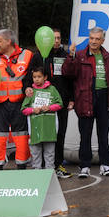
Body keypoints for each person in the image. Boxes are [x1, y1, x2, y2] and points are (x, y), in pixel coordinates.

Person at [63, 26, 109, 178]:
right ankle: (84, 166)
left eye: (97, 39)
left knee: (103, 134)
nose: (93, 42)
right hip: (85, 98)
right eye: (91, 38)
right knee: (85, 135)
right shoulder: (79, 56)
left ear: (103, 40)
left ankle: (105, 164)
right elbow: (67, 73)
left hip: (104, 98)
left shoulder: (107, 56)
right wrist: (71, 56)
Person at [0, 29, 43, 170]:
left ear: (9, 41)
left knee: (21, 135)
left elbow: (36, 77)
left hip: (20, 102)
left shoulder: (28, 55)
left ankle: (22, 165)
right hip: (0, 102)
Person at [21, 66, 62, 170]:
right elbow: (24, 109)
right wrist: (33, 110)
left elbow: (60, 104)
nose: (37, 79)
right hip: (35, 130)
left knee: (50, 154)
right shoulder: (30, 91)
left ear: (45, 77)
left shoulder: (52, 89)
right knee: (35, 154)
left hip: (49, 129)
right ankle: (37, 173)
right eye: (34, 77)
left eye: (39, 76)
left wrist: (49, 108)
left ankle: (50, 173)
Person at [44, 29, 73, 178]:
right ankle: (45, 165)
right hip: (44, 102)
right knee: (46, 134)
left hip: (62, 101)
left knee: (60, 133)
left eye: (58, 38)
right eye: (53, 38)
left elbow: (71, 79)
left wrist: (72, 99)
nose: (56, 40)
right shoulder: (42, 55)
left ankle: (58, 164)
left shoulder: (66, 56)